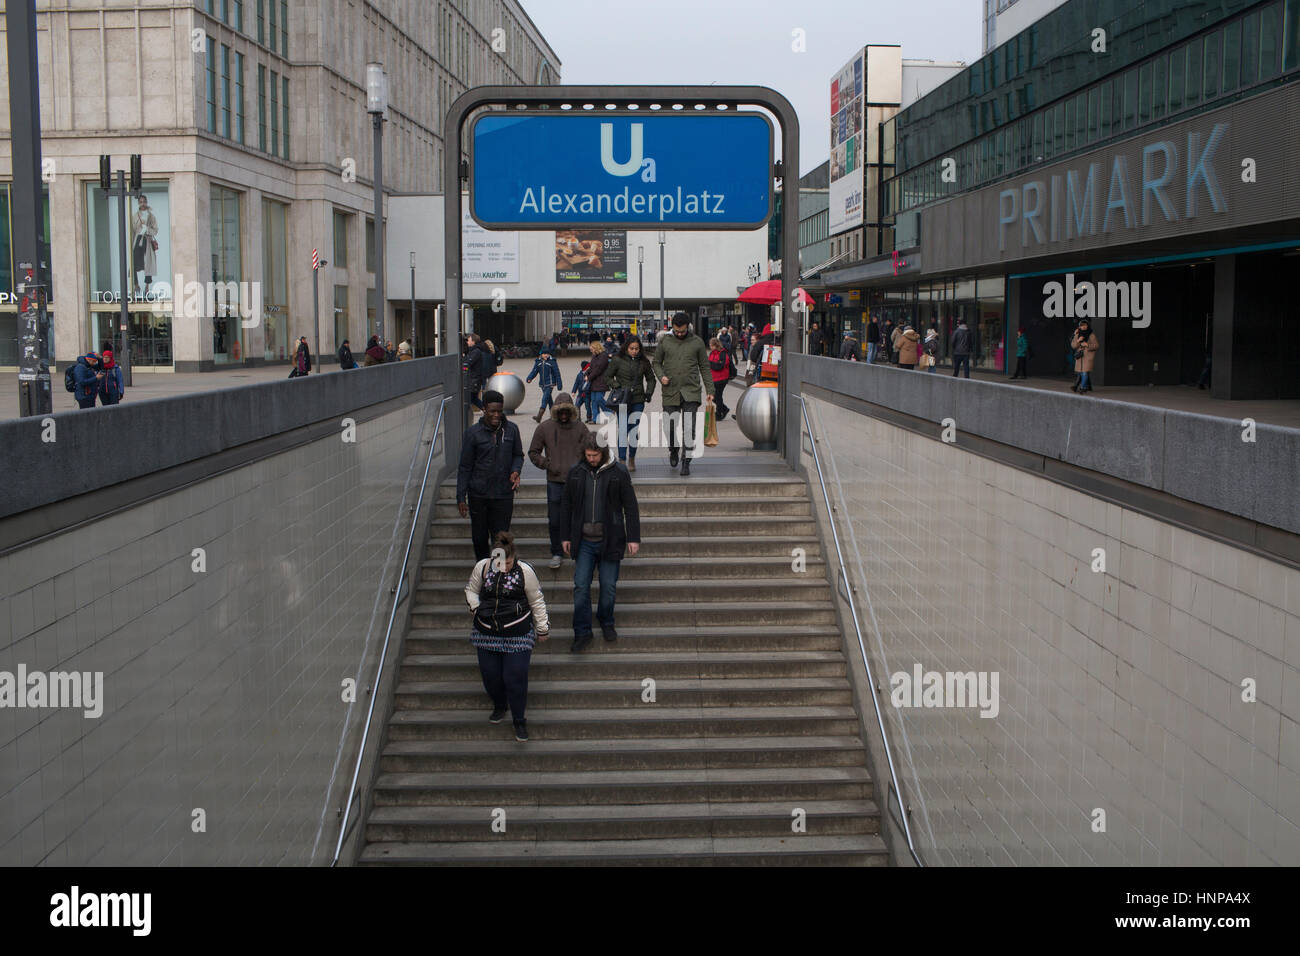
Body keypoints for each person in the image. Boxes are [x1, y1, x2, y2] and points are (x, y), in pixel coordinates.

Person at [464, 530, 549, 742]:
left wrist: (542, 628)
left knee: (515, 677)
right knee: (490, 676)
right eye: (501, 562)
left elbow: (536, 600)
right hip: (486, 630)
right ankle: (500, 704)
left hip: (517, 631)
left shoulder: (525, 571)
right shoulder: (483, 567)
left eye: (509, 562)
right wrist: (476, 607)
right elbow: (471, 590)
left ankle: (519, 719)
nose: (505, 567)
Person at [560, 433, 641, 652]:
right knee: (581, 586)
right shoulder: (577, 472)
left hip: (610, 539)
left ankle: (606, 620)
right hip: (584, 541)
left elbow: (631, 507)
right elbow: (566, 505)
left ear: (603, 453)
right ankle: (582, 631)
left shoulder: (619, 472)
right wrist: (565, 536)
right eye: (588, 455)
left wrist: (633, 537)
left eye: (595, 455)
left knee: (608, 587)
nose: (591, 459)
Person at [456, 390, 523, 561]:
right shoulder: (472, 433)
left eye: (499, 411)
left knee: (500, 539)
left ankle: (499, 575)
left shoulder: (512, 430)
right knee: (479, 538)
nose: (496, 415)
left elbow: (518, 455)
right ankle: (484, 571)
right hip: (479, 494)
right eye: (492, 411)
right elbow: (465, 466)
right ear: (484, 409)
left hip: (503, 494)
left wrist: (516, 470)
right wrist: (461, 497)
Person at [528, 392, 592, 569]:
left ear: (571, 412)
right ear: (555, 412)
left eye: (567, 412)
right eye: (560, 412)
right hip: (554, 481)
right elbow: (533, 452)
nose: (563, 415)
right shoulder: (544, 428)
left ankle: (576, 550)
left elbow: (592, 450)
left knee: (577, 517)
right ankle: (556, 552)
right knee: (555, 519)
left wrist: (583, 466)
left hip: (576, 481)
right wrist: (548, 464)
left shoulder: (580, 428)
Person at [654, 312, 711, 476]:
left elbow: (705, 367)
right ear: (672, 327)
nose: (679, 334)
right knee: (669, 426)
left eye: (683, 331)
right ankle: (673, 449)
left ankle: (686, 460)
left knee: (689, 428)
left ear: (688, 327)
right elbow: (656, 362)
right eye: (677, 331)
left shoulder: (697, 342)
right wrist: (661, 376)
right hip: (670, 391)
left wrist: (710, 390)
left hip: (691, 391)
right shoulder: (665, 341)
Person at [606, 335, 656, 469]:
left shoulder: (644, 362)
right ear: (626, 348)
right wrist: (616, 385)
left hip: (638, 399)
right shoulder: (617, 360)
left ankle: (632, 458)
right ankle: (622, 460)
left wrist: (649, 393)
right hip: (622, 399)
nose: (634, 351)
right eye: (631, 348)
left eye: (637, 349)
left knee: (633, 430)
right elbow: (607, 376)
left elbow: (651, 379)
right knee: (623, 429)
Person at [525, 348, 563, 423]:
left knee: (544, 399)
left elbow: (557, 373)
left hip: (550, 384)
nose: (546, 355)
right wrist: (529, 378)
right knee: (549, 400)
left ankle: (539, 416)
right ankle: (555, 416)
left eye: (547, 354)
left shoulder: (552, 362)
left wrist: (559, 384)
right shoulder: (538, 362)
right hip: (542, 384)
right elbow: (534, 371)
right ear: (541, 354)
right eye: (544, 354)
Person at [584, 337, 612, 424]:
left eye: (591, 349)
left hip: (601, 381)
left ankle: (610, 412)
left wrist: (589, 377)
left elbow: (598, 369)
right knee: (594, 401)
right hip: (594, 382)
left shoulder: (603, 356)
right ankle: (595, 418)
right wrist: (585, 373)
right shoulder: (594, 356)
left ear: (596, 348)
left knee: (599, 399)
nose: (591, 351)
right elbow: (592, 367)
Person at [707, 336, 735, 421]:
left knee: (717, 396)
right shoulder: (712, 353)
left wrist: (710, 363)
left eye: (711, 345)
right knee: (715, 397)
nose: (710, 347)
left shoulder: (723, 353)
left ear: (715, 345)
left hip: (722, 379)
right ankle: (724, 409)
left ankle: (719, 413)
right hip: (714, 378)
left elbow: (719, 366)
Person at [1071, 319, 1099, 393]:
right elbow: (1073, 346)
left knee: (1084, 372)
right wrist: (1077, 341)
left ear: (1087, 326)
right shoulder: (1077, 335)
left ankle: (1083, 387)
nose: (1083, 327)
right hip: (1080, 357)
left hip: (1087, 357)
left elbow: (1096, 346)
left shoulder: (1091, 335)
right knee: (1081, 372)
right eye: (1081, 326)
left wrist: (1087, 345)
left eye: (1084, 325)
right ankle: (1086, 387)